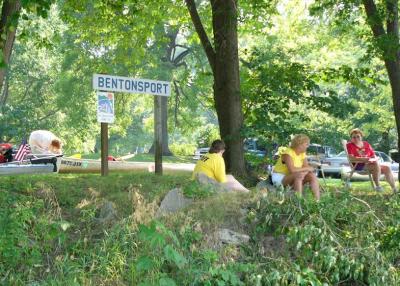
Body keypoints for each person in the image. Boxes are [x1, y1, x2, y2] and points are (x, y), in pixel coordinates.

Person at [346, 128, 397, 193]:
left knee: (387, 168)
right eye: (354, 137)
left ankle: (394, 189)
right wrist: (362, 159)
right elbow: (351, 158)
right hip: (358, 165)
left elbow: (373, 155)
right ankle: (378, 187)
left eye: (358, 136)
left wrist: (375, 158)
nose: (356, 139)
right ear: (351, 138)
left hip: (370, 164)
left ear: (361, 136)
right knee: (376, 165)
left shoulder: (366, 144)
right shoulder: (350, 145)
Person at [271, 134, 320, 200]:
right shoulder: (288, 153)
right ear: (300, 144)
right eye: (306, 144)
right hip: (279, 177)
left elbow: (306, 167)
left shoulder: (302, 153)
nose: (307, 146)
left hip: (292, 176)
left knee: (312, 176)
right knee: (299, 175)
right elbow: (292, 170)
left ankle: (317, 201)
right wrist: (307, 169)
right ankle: (299, 201)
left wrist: (307, 170)